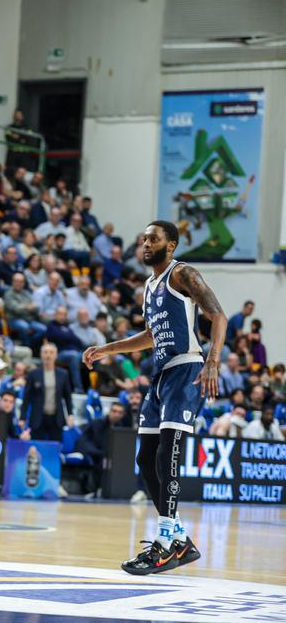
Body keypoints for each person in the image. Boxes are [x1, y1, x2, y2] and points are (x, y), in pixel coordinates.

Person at [83, 220, 226, 576]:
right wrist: (108, 349)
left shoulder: (183, 275)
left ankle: (164, 543)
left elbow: (218, 316)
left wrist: (213, 361)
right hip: (160, 376)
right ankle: (179, 538)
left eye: (154, 238)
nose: (146, 243)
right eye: (144, 238)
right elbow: (150, 334)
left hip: (188, 369)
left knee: (167, 455)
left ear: (171, 245)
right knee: (146, 457)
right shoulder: (148, 286)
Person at [21, 342, 74, 442]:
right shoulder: (33, 374)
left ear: (56, 355)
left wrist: (70, 414)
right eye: (45, 352)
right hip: (38, 417)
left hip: (56, 417)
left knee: (56, 446)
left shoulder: (63, 374)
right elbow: (26, 397)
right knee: (37, 446)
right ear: (41, 355)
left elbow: (67, 397)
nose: (48, 355)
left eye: (51, 352)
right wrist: (22, 417)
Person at [76, 401, 126, 495]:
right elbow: (96, 441)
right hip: (87, 447)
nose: (116, 414)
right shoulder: (99, 423)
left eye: (120, 412)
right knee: (102, 459)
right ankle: (96, 489)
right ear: (109, 411)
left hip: (102, 450)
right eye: (114, 411)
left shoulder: (120, 426)